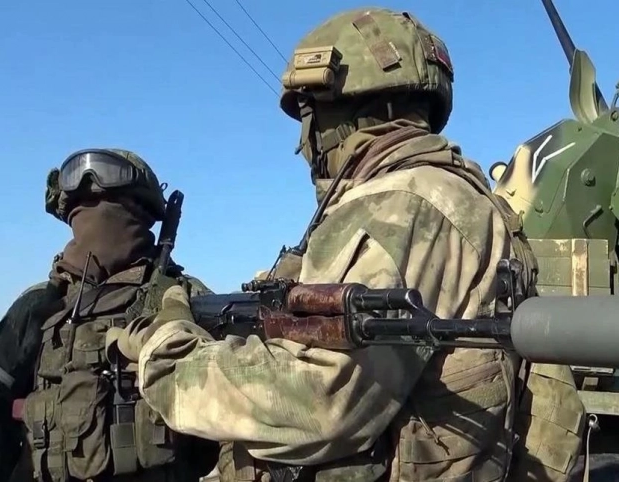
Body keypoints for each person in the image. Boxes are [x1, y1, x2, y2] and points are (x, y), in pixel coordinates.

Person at [109, 7, 586, 482]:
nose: (305, 143)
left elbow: (318, 401)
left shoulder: (399, 206)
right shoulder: (470, 200)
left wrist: (167, 352)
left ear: (340, 112)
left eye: (308, 116)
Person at [0, 148, 219, 482]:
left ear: (142, 212)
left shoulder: (181, 299)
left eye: (109, 204)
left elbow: (235, 410)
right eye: (85, 205)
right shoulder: (39, 305)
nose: (95, 219)